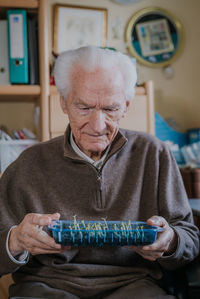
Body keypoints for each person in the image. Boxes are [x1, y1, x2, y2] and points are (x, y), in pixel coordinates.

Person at [0, 46, 199, 299]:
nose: (97, 125)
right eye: (83, 108)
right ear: (64, 102)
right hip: (47, 286)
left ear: (126, 105)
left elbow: (189, 239)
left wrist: (170, 241)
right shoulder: (28, 163)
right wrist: (15, 241)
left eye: (110, 109)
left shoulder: (154, 153)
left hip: (134, 285)